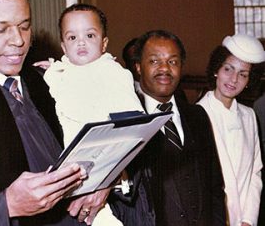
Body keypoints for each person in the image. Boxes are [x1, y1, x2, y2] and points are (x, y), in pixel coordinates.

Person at [0, 0, 111, 226]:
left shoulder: (48, 80)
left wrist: (105, 181)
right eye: (1, 29)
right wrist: (6, 205)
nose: (19, 41)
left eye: (24, 26)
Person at [33, 3, 144, 225]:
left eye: (90, 35)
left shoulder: (112, 73)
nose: (81, 42)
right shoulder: (60, 73)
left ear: (104, 43)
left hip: (101, 164)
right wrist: (50, 71)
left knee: (103, 219)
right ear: (63, 47)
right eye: (72, 38)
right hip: (66, 167)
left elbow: (131, 128)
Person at [113, 30, 226, 225]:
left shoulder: (197, 116)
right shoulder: (127, 123)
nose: (164, 68)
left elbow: (215, 187)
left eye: (173, 61)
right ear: (138, 67)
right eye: (154, 61)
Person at [197, 34, 264, 226]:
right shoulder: (197, 114)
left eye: (243, 74)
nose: (233, 79)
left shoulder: (249, 115)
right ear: (216, 69)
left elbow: (255, 173)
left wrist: (248, 220)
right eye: (228, 69)